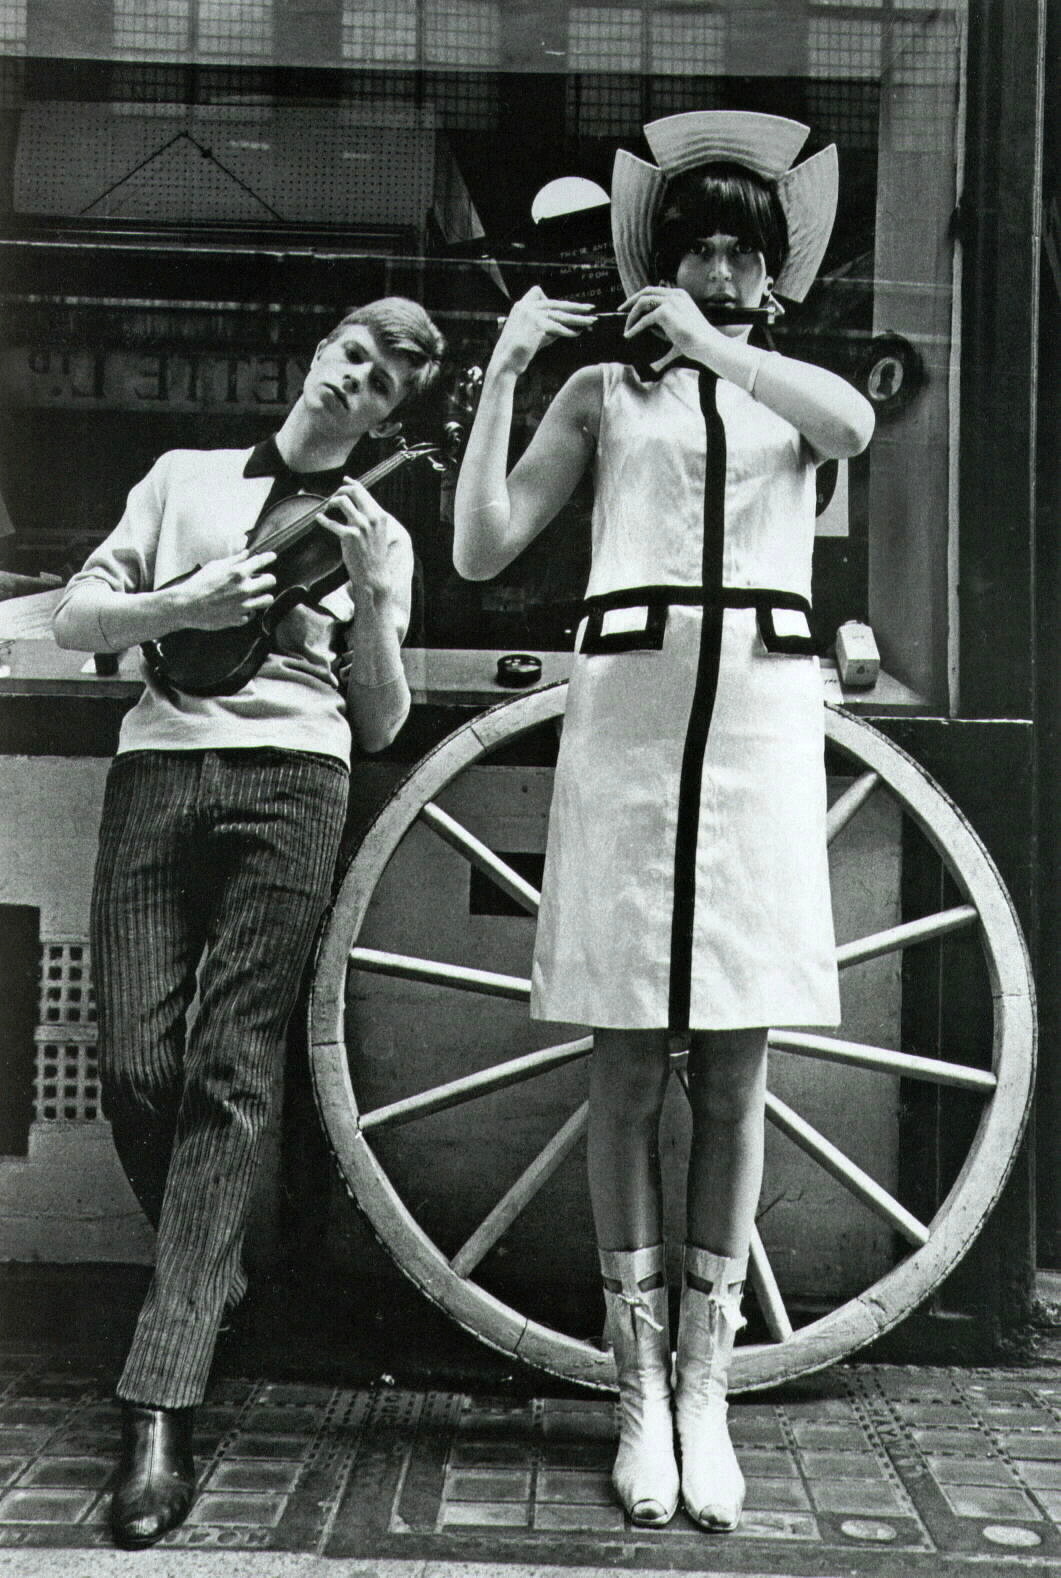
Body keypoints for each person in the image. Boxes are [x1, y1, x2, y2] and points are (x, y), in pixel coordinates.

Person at [453, 112, 873, 1533]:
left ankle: (711, 1384)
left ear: (773, 278)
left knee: (740, 1060)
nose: (715, 265)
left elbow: (855, 426)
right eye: (693, 244)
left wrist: (712, 343)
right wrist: (512, 370)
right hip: (628, 724)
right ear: (653, 258)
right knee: (626, 1059)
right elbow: (483, 546)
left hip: (757, 726)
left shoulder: (786, 392)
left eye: (741, 252)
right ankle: (637, 1389)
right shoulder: (597, 397)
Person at [52, 297, 445, 1550]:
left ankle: (159, 1399)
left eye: (385, 383)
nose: (358, 381)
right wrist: (187, 604)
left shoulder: (375, 528)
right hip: (158, 770)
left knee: (230, 1074)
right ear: (317, 350)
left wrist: (380, 606)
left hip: (296, 781)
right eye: (354, 354)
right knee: (134, 1065)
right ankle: (206, 1278)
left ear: (392, 414)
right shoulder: (185, 480)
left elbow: (379, 722)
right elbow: (76, 619)